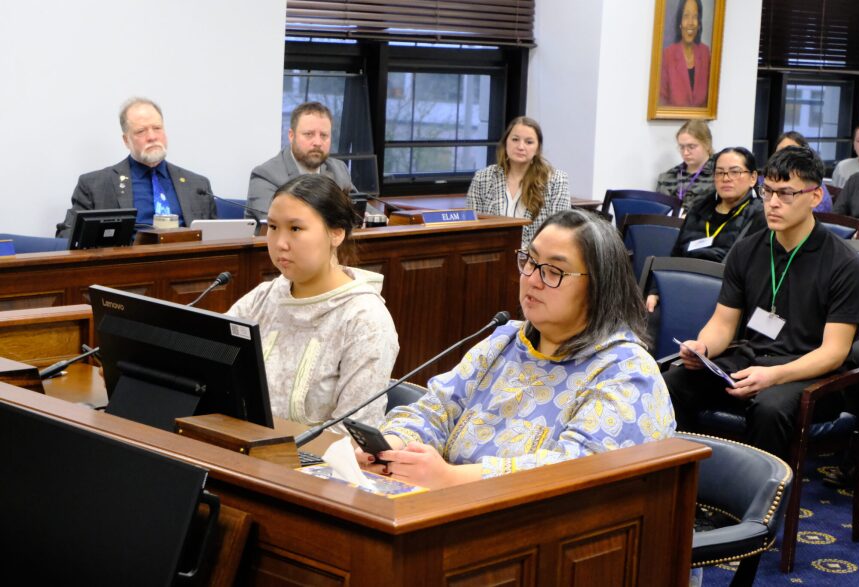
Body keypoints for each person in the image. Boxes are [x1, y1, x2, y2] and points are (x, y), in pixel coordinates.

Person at [355, 209, 676, 489]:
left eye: (553, 271)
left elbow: (575, 472)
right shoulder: (504, 340)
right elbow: (435, 410)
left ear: (599, 287)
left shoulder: (627, 372)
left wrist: (452, 480)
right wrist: (391, 449)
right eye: (530, 262)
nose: (533, 280)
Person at [663, 146, 859, 460]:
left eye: (785, 194)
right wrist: (703, 349)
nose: (772, 203)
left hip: (812, 375)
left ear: (814, 196)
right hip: (753, 360)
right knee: (674, 382)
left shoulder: (842, 262)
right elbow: (723, 323)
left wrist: (774, 375)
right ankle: (688, 486)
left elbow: (834, 352)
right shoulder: (747, 251)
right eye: (767, 191)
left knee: (770, 407)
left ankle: (758, 504)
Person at [227, 174, 398, 431]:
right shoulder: (263, 298)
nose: (280, 243)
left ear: (336, 233)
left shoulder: (365, 319)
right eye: (273, 227)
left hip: (313, 464)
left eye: (295, 229)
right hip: (243, 447)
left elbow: (352, 433)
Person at [56, 97, 215, 239]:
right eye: (141, 131)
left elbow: (218, 240)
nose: (152, 137)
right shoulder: (95, 185)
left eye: (157, 128)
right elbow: (67, 236)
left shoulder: (197, 185)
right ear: (126, 140)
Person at [647, 147, 765, 313]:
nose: (726, 178)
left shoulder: (761, 216)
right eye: (720, 173)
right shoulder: (699, 209)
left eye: (735, 172)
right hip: (681, 288)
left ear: (753, 178)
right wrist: (656, 291)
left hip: (725, 299)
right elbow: (675, 255)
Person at [466, 116, 570, 247]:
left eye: (529, 142)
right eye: (515, 140)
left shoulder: (557, 180)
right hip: (492, 255)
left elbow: (558, 231)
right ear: (506, 143)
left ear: (537, 149)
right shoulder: (482, 178)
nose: (521, 147)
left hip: (535, 260)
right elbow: (472, 228)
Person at [247, 101, 354, 219]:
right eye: (309, 134)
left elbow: (359, 207)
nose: (317, 143)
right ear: (291, 136)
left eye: (324, 135)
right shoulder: (266, 175)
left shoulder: (339, 169)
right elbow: (278, 223)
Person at [656, 119, 715, 213]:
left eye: (691, 147)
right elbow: (659, 211)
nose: (685, 153)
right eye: (682, 147)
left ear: (707, 145)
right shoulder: (667, 177)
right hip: (670, 225)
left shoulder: (720, 176)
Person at [659, 0, 711, 108]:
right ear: (680, 22)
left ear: (699, 23)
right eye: (686, 16)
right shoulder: (667, 55)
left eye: (695, 16)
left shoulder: (706, 54)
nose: (691, 22)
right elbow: (661, 101)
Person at [773, 131, 832, 212]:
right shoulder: (766, 179)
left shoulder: (813, 181)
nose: (784, 156)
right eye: (781, 151)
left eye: (791, 151)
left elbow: (824, 209)